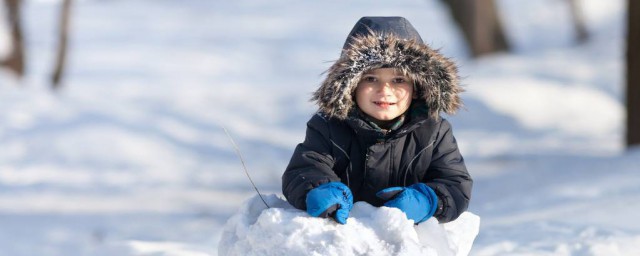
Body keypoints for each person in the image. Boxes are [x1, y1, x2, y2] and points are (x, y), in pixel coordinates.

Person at [282, 16, 472, 225]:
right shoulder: (328, 126)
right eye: (371, 79)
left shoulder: (433, 131)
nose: (384, 91)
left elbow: (454, 182)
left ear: (417, 88)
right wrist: (320, 188)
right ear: (351, 86)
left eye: (398, 80)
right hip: (341, 234)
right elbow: (305, 168)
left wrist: (427, 200)